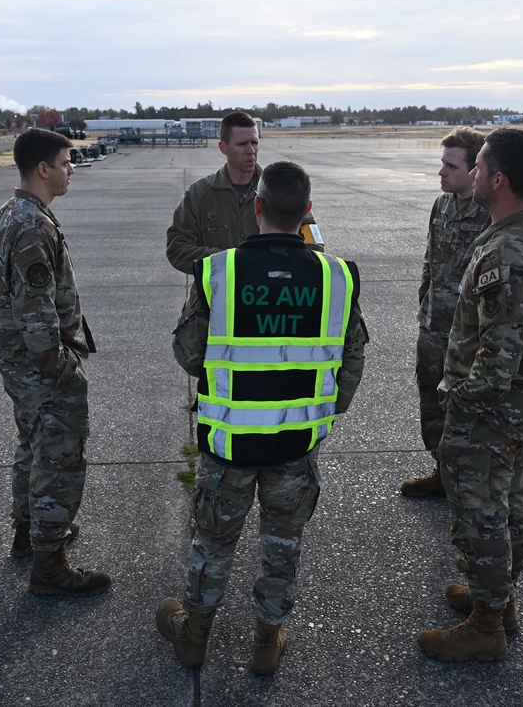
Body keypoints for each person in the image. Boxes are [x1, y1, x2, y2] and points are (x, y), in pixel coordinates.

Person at [157, 161, 367, 675]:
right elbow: (353, 359)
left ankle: (195, 635)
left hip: (229, 446)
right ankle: (267, 642)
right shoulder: (338, 275)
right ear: (308, 211)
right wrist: (323, 411)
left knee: (212, 541)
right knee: (282, 546)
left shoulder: (218, 272)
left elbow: (189, 355)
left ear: (257, 208)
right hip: (295, 445)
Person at [417, 128, 523, 661]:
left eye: (479, 167)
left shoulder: (506, 254)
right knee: (510, 504)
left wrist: (457, 402)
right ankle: (499, 601)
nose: (473, 174)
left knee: (481, 513)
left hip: (489, 412)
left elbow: (497, 362)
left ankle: (485, 628)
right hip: (522, 408)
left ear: (497, 179)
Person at [0, 128, 111, 598]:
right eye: (66, 161)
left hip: (15, 359)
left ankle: (29, 531)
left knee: (33, 442)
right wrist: (60, 368)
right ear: (44, 169)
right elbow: (35, 309)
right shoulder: (33, 226)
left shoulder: (10, 212)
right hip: (37, 362)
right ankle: (50, 566)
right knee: (59, 454)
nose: (71, 168)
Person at [400, 127, 490, 498]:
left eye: (450, 166)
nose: (441, 172)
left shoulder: (487, 213)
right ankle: (441, 473)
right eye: (442, 163)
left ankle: (473, 484)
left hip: (469, 336)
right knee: (431, 405)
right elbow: (430, 260)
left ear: (473, 170)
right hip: (433, 328)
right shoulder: (442, 205)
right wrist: (425, 300)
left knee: (468, 413)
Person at [165, 111, 319, 274]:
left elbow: (314, 246)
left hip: (270, 295)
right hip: (218, 296)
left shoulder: (279, 187)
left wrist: (275, 264)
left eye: (254, 142)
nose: (251, 150)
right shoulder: (199, 194)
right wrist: (233, 261)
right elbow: (177, 249)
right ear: (223, 147)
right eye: (242, 144)